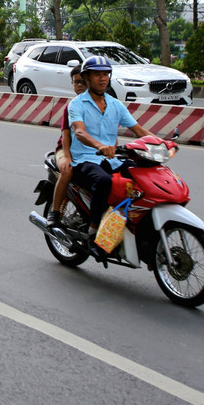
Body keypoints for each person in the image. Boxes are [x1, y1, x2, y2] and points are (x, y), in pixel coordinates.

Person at [68, 55, 157, 261]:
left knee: (142, 178)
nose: (102, 78)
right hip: (84, 159)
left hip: (112, 159)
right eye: (97, 74)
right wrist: (100, 145)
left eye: (105, 74)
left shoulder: (116, 105)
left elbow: (138, 130)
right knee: (104, 181)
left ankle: (130, 226)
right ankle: (94, 229)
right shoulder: (77, 104)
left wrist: (161, 143)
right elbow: (79, 132)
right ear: (86, 78)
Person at [47, 66, 88, 227]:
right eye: (76, 82)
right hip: (67, 149)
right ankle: (55, 212)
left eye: (82, 81)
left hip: (91, 152)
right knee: (67, 169)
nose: (79, 85)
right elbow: (67, 135)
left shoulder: (108, 103)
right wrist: (68, 156)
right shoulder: (73, 106)